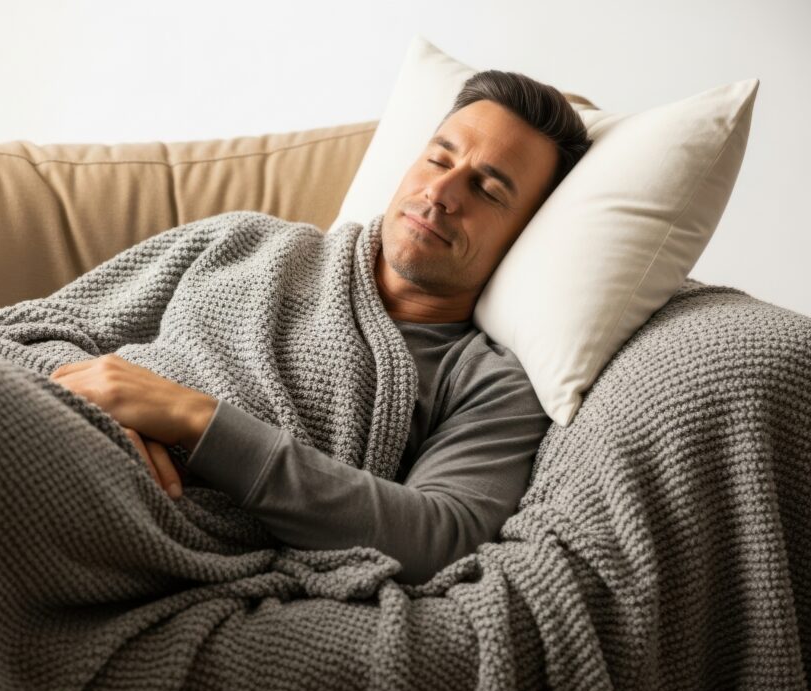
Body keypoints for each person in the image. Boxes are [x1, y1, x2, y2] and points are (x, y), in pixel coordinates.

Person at [48, 70, 593, 583]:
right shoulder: (244, 241)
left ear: (528, 234)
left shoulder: (486, 381)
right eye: (437, 159)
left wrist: (194, 419)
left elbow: (442, 534)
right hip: (60, 434)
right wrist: (88, 402)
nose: (441, 193)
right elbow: (31, 330)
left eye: (488, 190)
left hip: (164, 530)